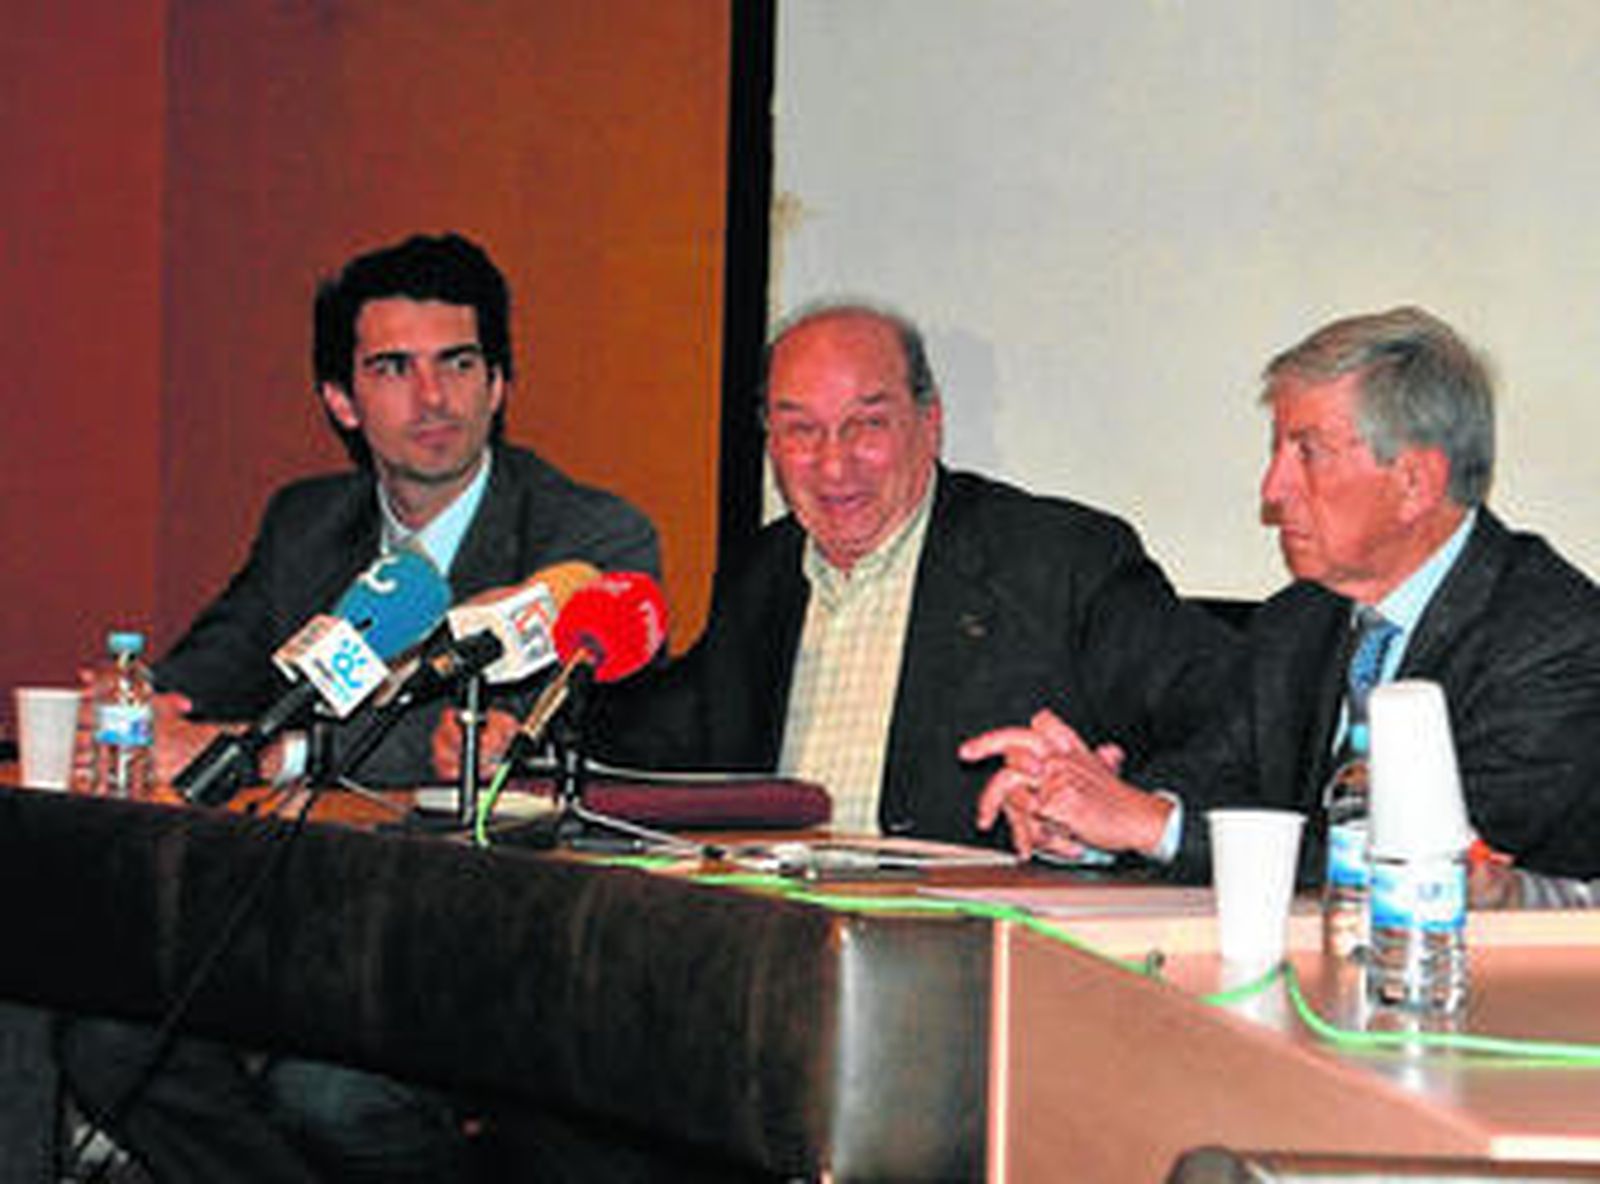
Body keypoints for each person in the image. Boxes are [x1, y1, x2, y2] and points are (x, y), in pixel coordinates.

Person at [56, 232, 660, 1182]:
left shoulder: (587, 536)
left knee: (328, 1093)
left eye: (459, 364)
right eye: (394, 369)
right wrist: (146, 705)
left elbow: (474, 743)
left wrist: (270, 756)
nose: (433, 399)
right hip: (304, 927)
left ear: (498, 385)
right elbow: (221, 659)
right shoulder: (307, 524)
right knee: (108, 1047)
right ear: (341, 400)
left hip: (482, 947)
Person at [553, 302, 1239, 844]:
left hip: (978, 957)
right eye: (800, 430)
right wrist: (535, 731)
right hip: (774, 940)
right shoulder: (763, 571)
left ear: (930, 423)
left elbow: (1238, 721)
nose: (832, 464)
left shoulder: (1060, 562)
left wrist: (1121, 816)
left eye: (867, 425)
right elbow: (676, 738)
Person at [965, 306, 1600, 884]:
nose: (1273, 489)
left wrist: (1150, 825)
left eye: (1308, 453)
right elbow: (1207, 778)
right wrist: (1081, 809)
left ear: (1414, 482)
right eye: (1277, 452)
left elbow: (1438, 871)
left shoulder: (1554, 638)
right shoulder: (1299, 622)